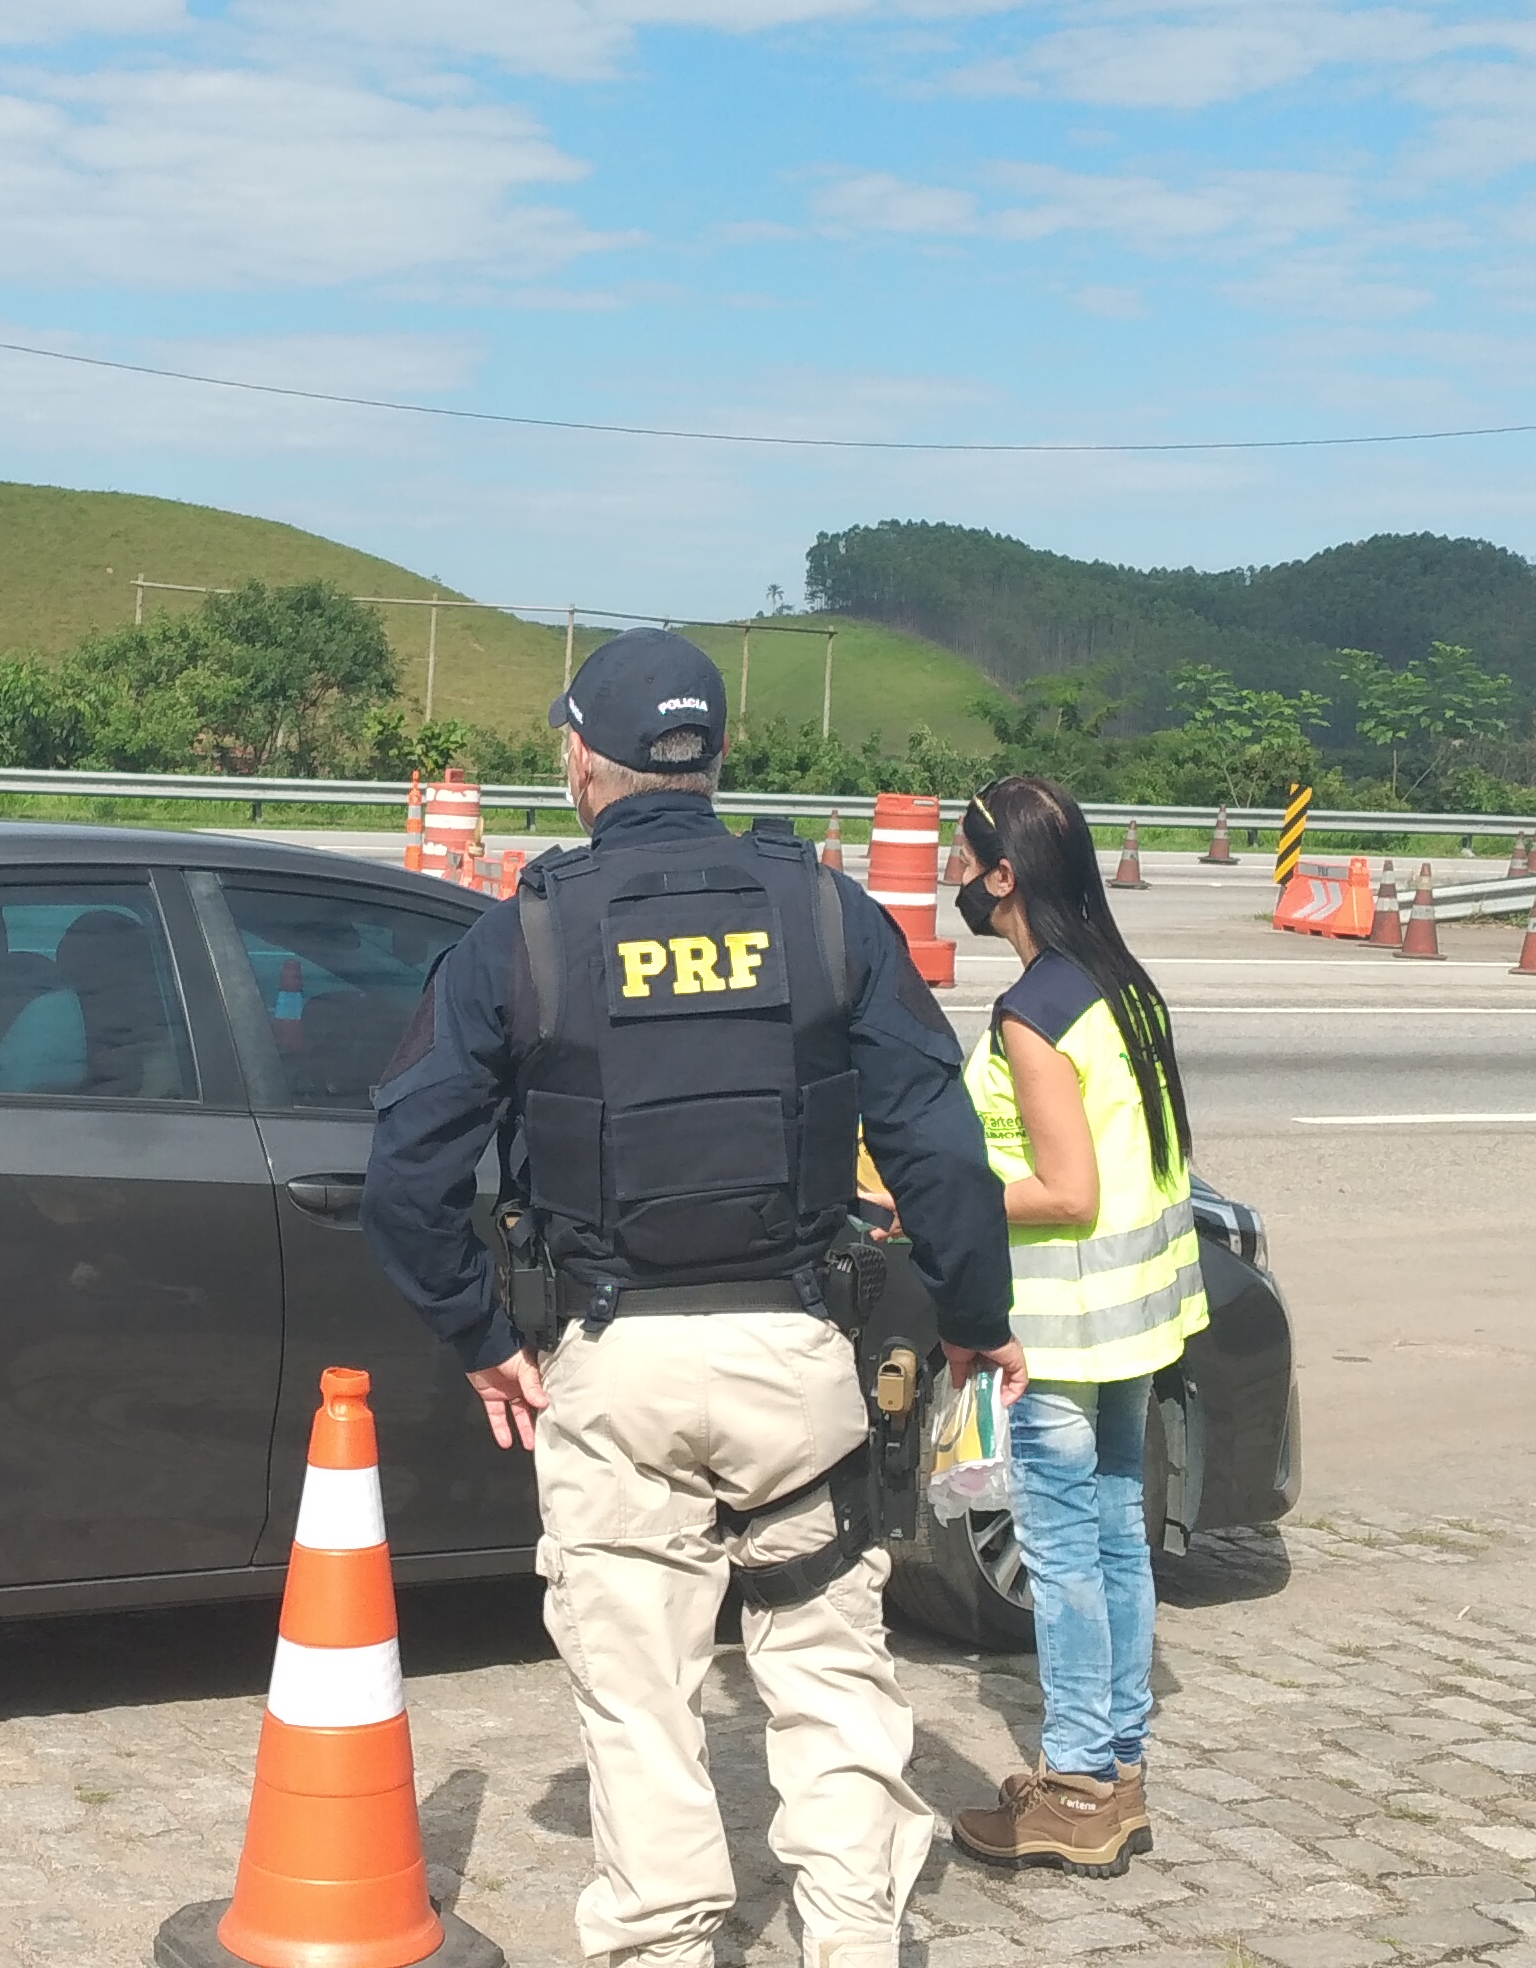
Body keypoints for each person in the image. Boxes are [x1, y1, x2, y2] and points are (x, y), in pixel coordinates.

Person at [365, 628, 1017, 1968]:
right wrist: (974, 1316)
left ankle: (664, 1944)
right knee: (830, 1675)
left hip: (614, 1367)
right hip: (796, 1359)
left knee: (640, 1697)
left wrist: (482, 1340)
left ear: (578, 762)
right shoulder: (831, 915)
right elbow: (941, 1152)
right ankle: (850, 1940)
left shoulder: (527, 931)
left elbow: (403, 1175)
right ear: (713, 759)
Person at [937, 774, 1209, 1879]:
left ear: (1004, 878)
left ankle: (1079, 1788)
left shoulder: (1033, 1010)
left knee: (1061, 1556)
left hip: (1055, 1332)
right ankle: (1118, 1768)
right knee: (1110, 1541)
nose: (953, 875)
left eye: (965, 859)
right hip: (1128, 1329)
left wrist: (936, 1195)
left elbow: (1063, 1190)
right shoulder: (1117, 984)